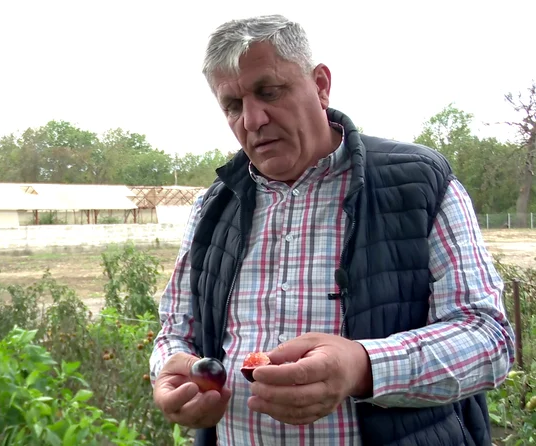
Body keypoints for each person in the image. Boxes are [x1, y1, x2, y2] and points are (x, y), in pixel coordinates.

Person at [149, 14, 515, 446]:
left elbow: (488, 337)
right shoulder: (213, 206)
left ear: (321, 85)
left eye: (269, 91)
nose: (252, 119)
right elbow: (176, 331)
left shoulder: (418, 183)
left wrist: (363, 366)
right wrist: (172, 373)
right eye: (232, 105)